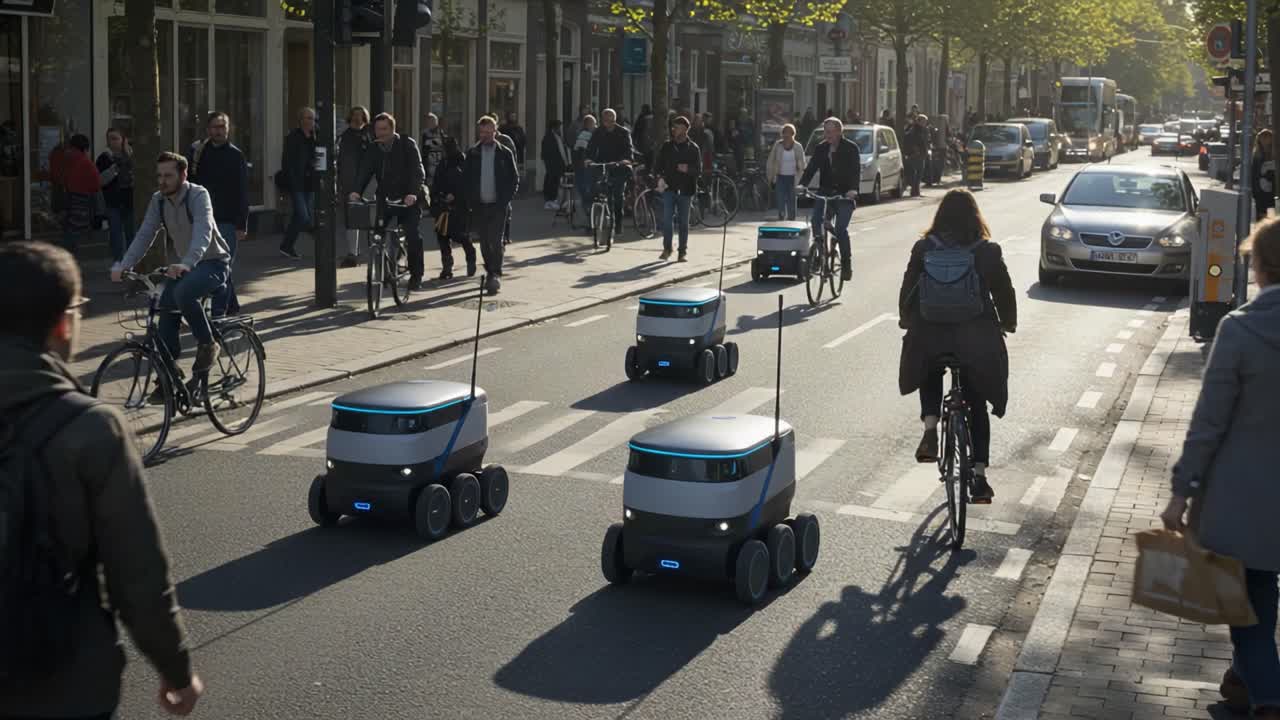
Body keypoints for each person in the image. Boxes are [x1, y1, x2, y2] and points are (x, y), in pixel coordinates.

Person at [0, 241, 203, 720]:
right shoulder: (91, 430)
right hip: (62, 679)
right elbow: (138, 575)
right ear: (63, 323)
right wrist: (176, 670)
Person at [1161, 220, 1280, 719]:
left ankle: (1268, 698)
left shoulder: (1240, 329)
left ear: (1260, 267)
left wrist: (1182, 491)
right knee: (1262, 592)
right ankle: (1244, 680)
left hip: (1246, 502)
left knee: (1248, 604)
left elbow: (1209, 421)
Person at [897, 189, 1016, 503]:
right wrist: (1008, 322)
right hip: (974, 339)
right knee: (975, 400)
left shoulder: (924, 248)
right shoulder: (987, 252)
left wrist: (908, 320)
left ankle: (930, 429)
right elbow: (1004, 291)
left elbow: (908, 289)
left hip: (931, 333)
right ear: (975, 217)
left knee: (929, 365)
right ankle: (979, 478)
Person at [113, 152, 231, 375]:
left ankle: (208, 344)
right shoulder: (158, 200)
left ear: (183, 174)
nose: (162, 181)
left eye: (168, 175)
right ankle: (169, 375)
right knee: (164, 303)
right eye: (159, 176)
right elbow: (145, 234)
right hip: (186, 266)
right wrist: (124, 264)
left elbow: (203, 232)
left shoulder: (198, 195)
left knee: (183, 294)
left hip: (213, 263)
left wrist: (187, 262)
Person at [348, 112, 428, 290]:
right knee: (377, 235)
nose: (380, 133)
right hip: (385, 199)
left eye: (384, 129)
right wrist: (356, 191)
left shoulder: (407, 144)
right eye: (377, 130)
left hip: (408, 201)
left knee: (413, 235)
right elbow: (364, 171)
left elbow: (418, 172)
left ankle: (417, 275)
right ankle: (385, 272)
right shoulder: (373, 149)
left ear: (393, 129)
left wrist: (413, 193)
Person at [187, 111, 248, 318]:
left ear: (228, 129)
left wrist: (242, 223)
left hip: (227, 221)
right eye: (215, 127)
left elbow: (242, 191)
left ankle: (218, 315)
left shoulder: (235, 155)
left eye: (222, 127)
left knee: (222, 267)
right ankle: (232, 306)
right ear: (208, 130)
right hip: (204, 219)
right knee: (214, 266)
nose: (219, 131)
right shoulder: (199, 153)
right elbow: (191, 182)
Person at [798, 117, 861, 282]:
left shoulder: (851, 148)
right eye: (826, 132)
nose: (828, 135)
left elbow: (856, 171)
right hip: (825, 192)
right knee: (815, 220)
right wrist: (802, 185)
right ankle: (819, 252)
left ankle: (846, 264)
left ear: (840, 132)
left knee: (840, 230)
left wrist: (853, 190)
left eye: (831, 132)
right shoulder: (821, 148)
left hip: (844, 194)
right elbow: (811, 168)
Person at [463, 116, 519, 296]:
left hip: (498, 206)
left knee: (495, 240)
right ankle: (489, 269)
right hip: (480, 206)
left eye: (489, 132)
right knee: (485, 242)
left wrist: (505, 200)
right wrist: (470, 201)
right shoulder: (472, 154)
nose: (486, 136)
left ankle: (495, 274)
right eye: (482, 132)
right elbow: (466, 179)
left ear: (495, 132)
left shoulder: (505, 153)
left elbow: (514, 179)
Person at [655, 115, 701, 262]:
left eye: (677, 127)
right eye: (673, 127)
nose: (674, 130)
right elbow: (659, 165)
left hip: (686, 190)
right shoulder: (667, 146)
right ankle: (667, 249)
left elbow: (698, 170)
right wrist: (659, 177)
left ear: (685, 129)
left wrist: (688, 169)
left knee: (683, 223)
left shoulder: (693, 148)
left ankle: (682, 252)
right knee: (667, 220)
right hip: (669, 188)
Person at [429, 137, 476, 281]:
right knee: (442, 236)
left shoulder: (463, 162)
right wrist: (438, 197)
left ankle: (470, 258)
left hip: (459, 207)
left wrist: (455, 195)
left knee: (461, 236)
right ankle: (447, 267)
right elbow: (436, 183)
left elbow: (467, 184)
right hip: (443, 207)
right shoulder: (442, 164)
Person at [586, 108, 635, 239]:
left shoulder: (623, 132)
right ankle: (598, 216)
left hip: (619, 167)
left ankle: (618, 222)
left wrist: (626, 159)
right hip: (604, 166)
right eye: (605, 120)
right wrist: (588, 159)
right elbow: (591, 147)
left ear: (614, 120)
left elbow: (629, 149)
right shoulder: (598, 132)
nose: (608, 123)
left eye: (610, 120)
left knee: (618, 196)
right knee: (598, 190)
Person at [279, 106, 317, 260]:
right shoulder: (293, 137)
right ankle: (316, 233)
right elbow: (287, 161)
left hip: (310, 182)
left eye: (312, 118)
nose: (310, 121)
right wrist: (290, 179)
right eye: (307, 118)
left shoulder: (316, 136)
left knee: (298, 217)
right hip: (296, 181)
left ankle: (286, 246)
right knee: (303, 216)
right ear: (300, 120)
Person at [337, 106, 372, 268]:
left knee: (370, 217)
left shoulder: (369, 135)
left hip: (368, 182)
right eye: (355, 115)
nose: (358, 118)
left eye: (361, 115)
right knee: (352, 218)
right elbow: (344, 163)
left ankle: (369, 250)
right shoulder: (345, 137)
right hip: (351, 183)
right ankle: (353, 253)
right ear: (350, 117)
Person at [97, 128, 134, 263]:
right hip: (113, 201)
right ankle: (118, 261)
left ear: (123, 140)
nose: (112, 142)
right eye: (109, 139)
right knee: (116, 234)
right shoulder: (104, 158)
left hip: (129, 200)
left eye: (115, 138)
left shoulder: (132, 156)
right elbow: (100, 180)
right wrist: (115, 169)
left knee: (131, 233)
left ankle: (131, 262)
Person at [60, 134, 101, 254]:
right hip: (83, 203)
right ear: (85, 148)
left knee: (69, 236)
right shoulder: (87, 163)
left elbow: (61, 179)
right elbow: (96, 186)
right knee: (77, 239)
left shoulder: (66, 160)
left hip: (69, 200)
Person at [766, 124, 806, 221]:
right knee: (780, 200)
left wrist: (800, 168)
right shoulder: (778, 145)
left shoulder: (798, 146)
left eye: (788, 133)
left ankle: (792, 220)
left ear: (793, 134)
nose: (786, 135)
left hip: (793, 178)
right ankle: (781, 217)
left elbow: (803, 162)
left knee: (792, 200)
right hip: (780, 177)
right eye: (784, 133)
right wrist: (770, 176)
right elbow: (771, 160)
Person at [572, 114, 597, 230]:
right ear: (588, 124)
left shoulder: (582, 135)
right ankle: (590, 221)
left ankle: (589, 220)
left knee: (586, 196)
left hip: (581, 170)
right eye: (594, 124)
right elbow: (583, 154)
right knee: (587, 195)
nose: (595, 126)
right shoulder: (586, 135)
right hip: (585, 170)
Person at [541, 119, 571, 210]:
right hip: (553, 165)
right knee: (552, 182)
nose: (560, 129)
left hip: (559, 164)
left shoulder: (559, 137)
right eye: (558, 127)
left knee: (557, 182)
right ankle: (550, 201)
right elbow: (548, 153)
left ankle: (555, 200)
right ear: (554, 128)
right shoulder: (549, 138)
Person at [902, 113, 930, 197]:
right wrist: (915, 150)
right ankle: (914, 191)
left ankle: (916, 191)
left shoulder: (921, 129)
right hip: (916, 155)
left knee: (919, 173)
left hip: (920, 154)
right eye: (924, 121)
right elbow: (913, 140)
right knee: (917, 173)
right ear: (920, 121)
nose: (925, 123)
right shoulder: (915, 129)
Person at [1253, 129, 1275, 222]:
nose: (1266, 141)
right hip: (1261, 190)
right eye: (1264, 138)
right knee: (1261, 214)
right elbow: (1256, 172)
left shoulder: (1272, 153)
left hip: (1270, 189)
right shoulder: (1257, 154)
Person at [420, 112, 446, 186]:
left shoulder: (441, 133)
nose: (431, 123)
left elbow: (442, 145)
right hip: (428, 163)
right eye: (429, 122)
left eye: (433, 121)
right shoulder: (424, 134)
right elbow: (423, 148)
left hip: (438, 163)